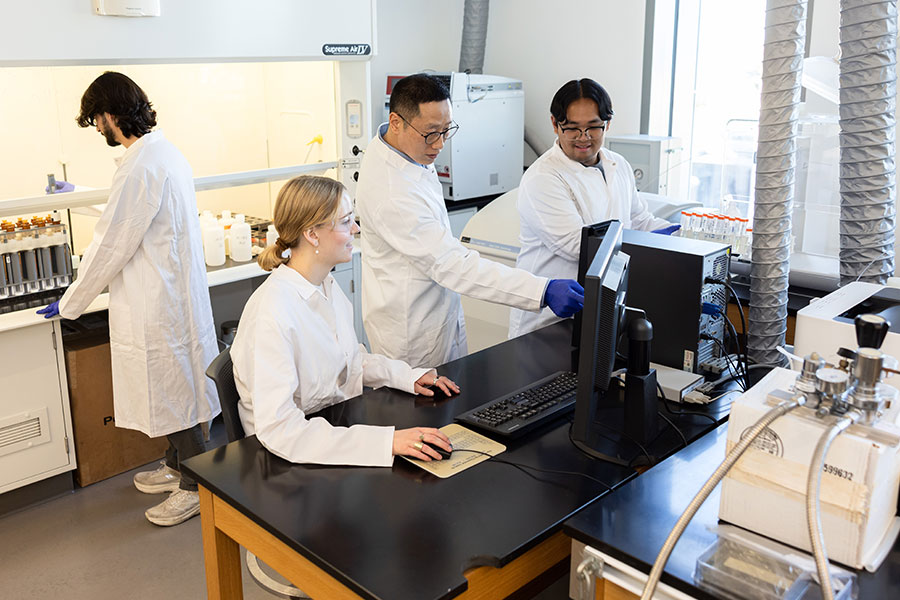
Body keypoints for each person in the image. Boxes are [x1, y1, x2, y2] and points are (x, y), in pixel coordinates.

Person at [36, 72, 219, 526]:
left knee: (171, 392)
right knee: (177, 386)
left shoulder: (139, 165)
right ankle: (179, 465)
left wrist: (71, 300)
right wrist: (75, 195)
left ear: (111, 114)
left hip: (157, 299)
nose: (97, 129)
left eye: (97, 119)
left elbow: (114, 241)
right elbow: (133, 215)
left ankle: (196, 486)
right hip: (172, 292)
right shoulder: (160, 152)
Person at [356, 73, 584, 368]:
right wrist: (541, 291)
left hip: (438, 314)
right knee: (418, 411)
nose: (439, 144)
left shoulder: (406, 150)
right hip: (410, 334)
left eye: (446, 129)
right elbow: (452, 265)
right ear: (397, 122)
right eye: (430, 133)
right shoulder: (392, 192)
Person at [230, 175, 457, 465]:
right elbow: (280, 430)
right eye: (346, 221)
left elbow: (350, 360)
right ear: (312, 234)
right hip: (284, 459)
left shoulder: (325, 285)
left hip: (331, 431)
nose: (356, 228)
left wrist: (408, 376)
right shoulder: (272, 312)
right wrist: (387, 442)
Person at [508, 78, 678, 338]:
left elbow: (638, 219)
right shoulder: (543, 177)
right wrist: (650, 251)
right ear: (555, 124)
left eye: (593, 127)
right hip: (550, 319)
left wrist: (683, 243)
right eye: (572, 128)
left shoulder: (617, 165)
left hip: (603, 310)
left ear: (607, 123)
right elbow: (580, 247)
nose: (583, 138)